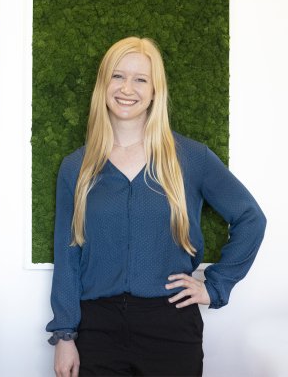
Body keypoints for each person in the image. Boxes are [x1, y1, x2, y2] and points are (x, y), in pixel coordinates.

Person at [47, 36, 266, 376]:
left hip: (171, 329)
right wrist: (64, 335)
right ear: (103, 84)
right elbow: (68, 255)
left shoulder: (191, 158)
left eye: (140, 79)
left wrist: (215, 285)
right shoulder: (76, 167)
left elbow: (251, 218)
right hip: (97, 330)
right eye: (117, 76)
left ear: (154, 91)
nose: (127, 89)